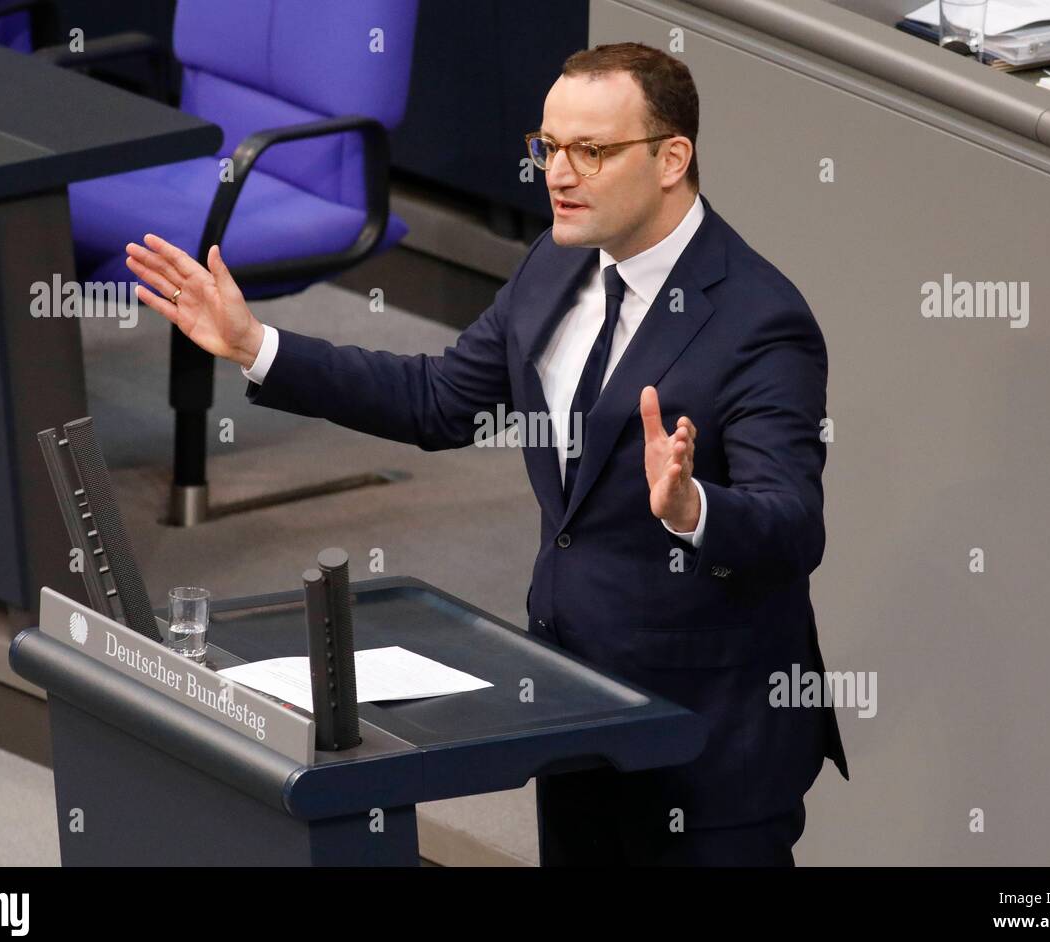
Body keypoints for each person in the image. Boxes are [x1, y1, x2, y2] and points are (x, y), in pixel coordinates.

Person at [126, 41, 848, 866]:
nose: (558, 173)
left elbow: (794, 527)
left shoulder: (759, 319)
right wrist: (259, 346)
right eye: (547, 147)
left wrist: (694, 509)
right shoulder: (556, 262)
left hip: (708, 743)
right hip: (576, 710)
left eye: (592, 151)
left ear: (671, 159)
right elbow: (438, 400)